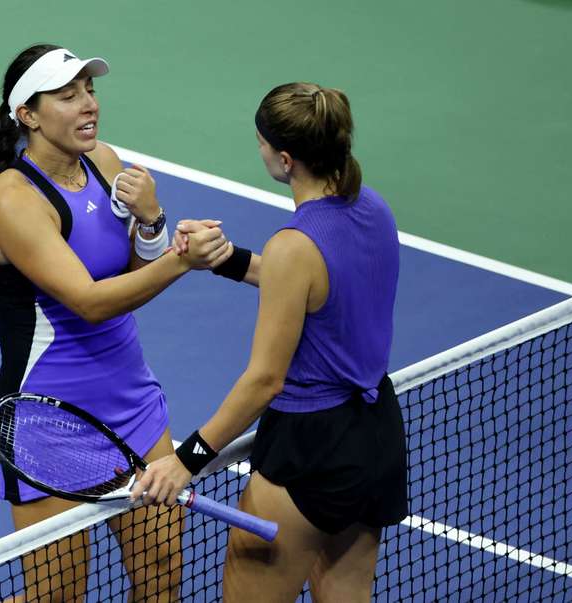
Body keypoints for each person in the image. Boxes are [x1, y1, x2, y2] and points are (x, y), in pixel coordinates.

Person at [0, 44, 232, 602]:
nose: (88, 106)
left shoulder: (104, 163)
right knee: (57, 598)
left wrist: (152, 222)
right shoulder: (12, 199)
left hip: (134, 407)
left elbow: (132, 273)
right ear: (28, 115)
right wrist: (184, 259)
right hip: (48, 425)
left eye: (90, 91)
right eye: (67, 95)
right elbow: (92, 301)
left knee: (161, 578)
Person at [134, 82, 408, 602]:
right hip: (376, 440)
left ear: (284, 160)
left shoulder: (293, 246)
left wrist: (185, 459)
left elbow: (264, 380)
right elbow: (317, 289)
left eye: (261, 144)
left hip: (309, 449)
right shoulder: (373, 209)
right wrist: (229, 259)